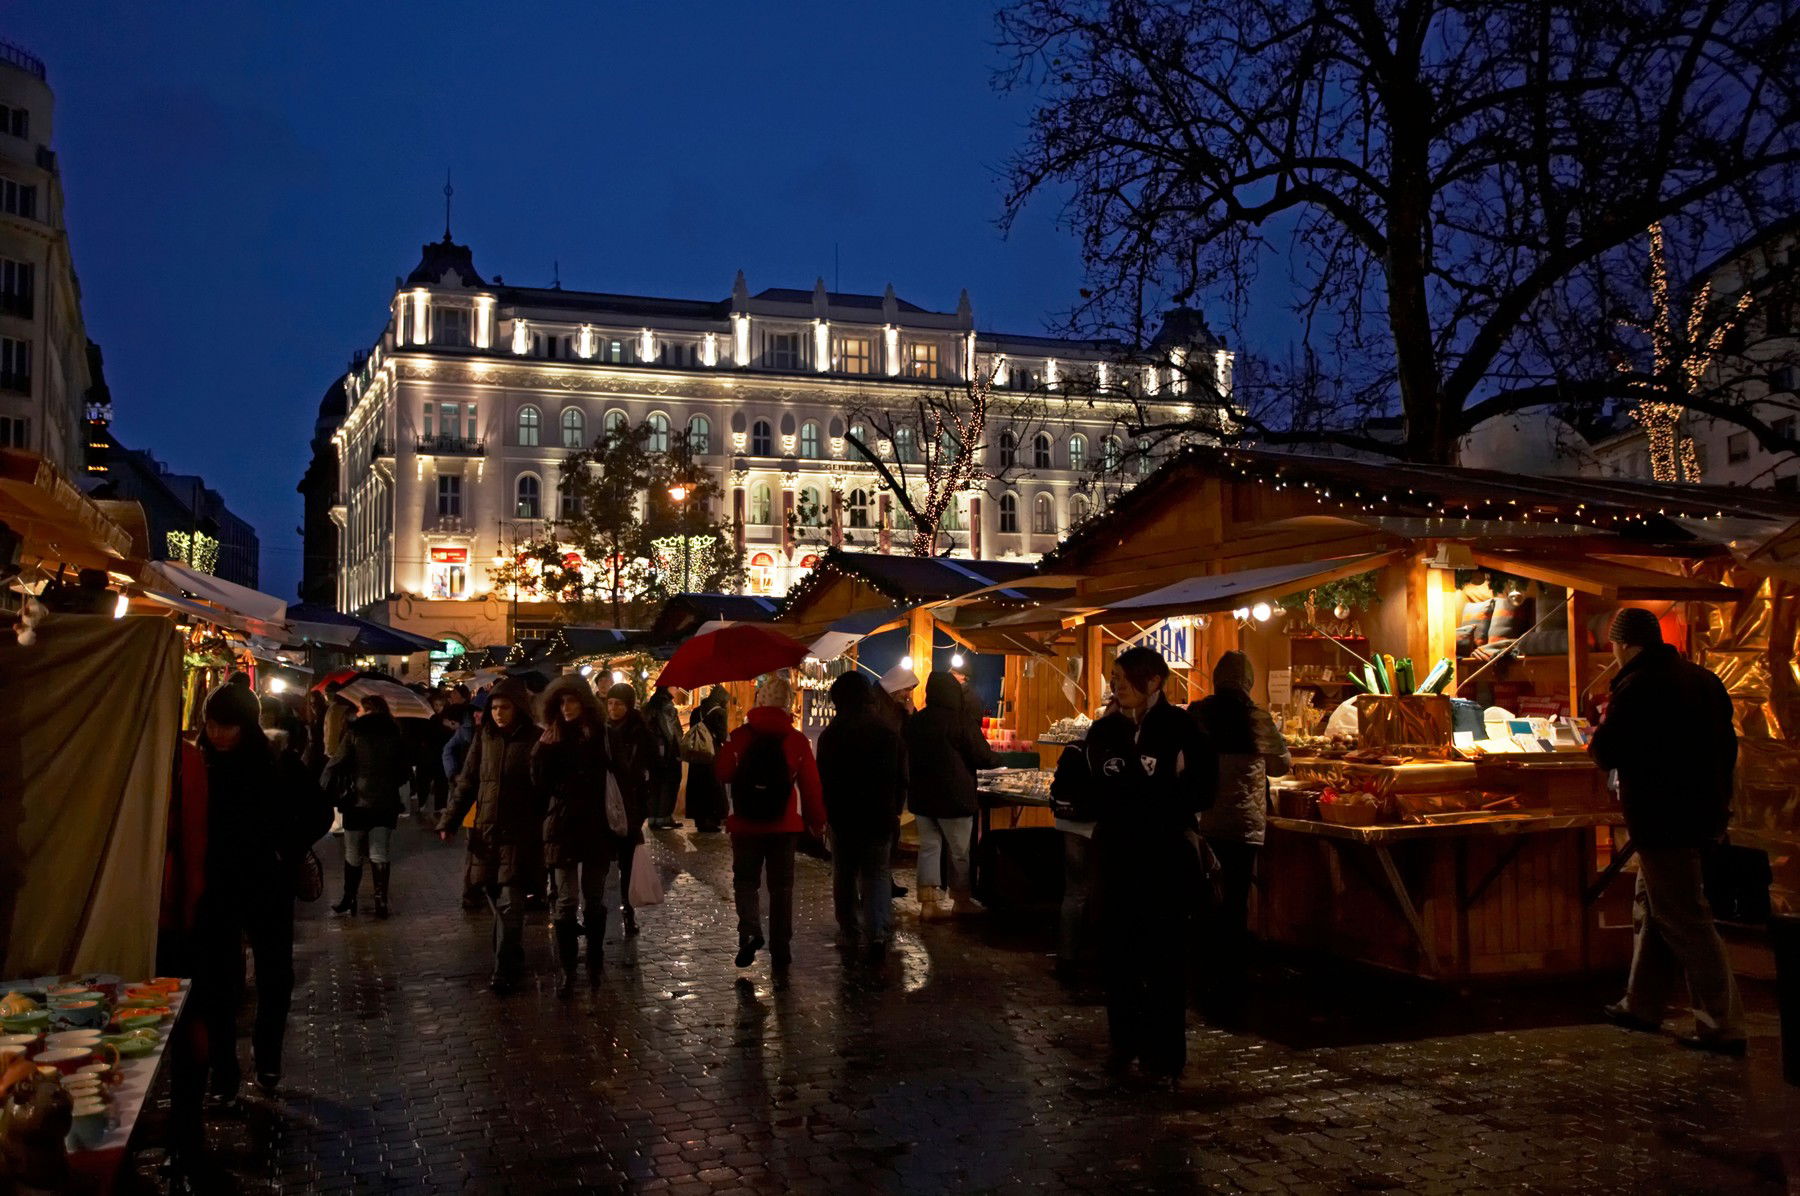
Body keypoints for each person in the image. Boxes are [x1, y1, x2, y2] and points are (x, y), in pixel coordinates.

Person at [1590, 607, 1745, 1055]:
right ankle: (1642, 1004)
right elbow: (1728, 748)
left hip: (1662, 818)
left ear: (1623, 644)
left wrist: (1597, 726)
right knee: (1653, 906)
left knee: (1685, 918)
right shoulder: (1702, 679)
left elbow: (1607, 750)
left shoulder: (1638, 686)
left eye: (1614, 646)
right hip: (1702, 813)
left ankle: (1723, 1024)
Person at [1072, 646, 1215, 1086]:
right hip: (1115, 856)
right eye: (1113, 676)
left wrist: (1155, 801)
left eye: (1123, 677)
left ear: (1153, 680)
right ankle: (1124, 1042)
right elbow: (1087, 786)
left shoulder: (1181, 727)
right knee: (1118, 956)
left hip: (1165, 860)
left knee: (1165, 959)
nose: (1115, 684)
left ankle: (1167, 1057)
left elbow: (1202, 790)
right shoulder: (1103, 731)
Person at [185, 683, 331, 1109]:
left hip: (267, 884)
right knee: (217, 982)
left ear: (246, 725)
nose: (216, 733)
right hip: (215, 887)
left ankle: (267, 1059)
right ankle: (223, 1071)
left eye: (226, 725)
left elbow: (320, 812)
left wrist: (286, 845)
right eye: (210, 724)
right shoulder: (198, 767)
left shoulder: (278, 763)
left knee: (274, 976)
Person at [1190, 650, 1290, 1022]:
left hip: (1204, 817)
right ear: (1247, 681)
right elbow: (1280, 766)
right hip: (1244, 823)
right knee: (1235, 899)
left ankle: (1204, 968)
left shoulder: (1197, 713)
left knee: (1204, 895)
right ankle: (1232, 975)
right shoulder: (1257, 717)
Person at [714, 674, 826, 984]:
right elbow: (811, 787)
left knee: (746, 881)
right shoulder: (797, 740)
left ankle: (750, 931)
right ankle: (781, 948)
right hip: (783, 826)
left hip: (746, 825)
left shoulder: (739, 736)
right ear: (789, 704)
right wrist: (817, 822)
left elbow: (723, 773)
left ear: (759, 700)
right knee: (782, 888)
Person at [438, 677, 543, 994]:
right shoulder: (484, 740)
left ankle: (502, 968)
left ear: (518, 709)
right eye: (494, 708)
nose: (498, 713)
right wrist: (450, 821)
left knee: (511, 903)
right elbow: (468, 783)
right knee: (497, 902)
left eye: (504, 707)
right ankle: (512, 952)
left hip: (520, 834)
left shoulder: (536, 740)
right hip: (486, 835)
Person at [532, 675, 618, 996]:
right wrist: (543, 749)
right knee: (566, 902)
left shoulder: (600, 735)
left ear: (584, 703)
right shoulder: (550, 739)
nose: (567, 708)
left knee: (594, 899)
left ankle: (595, 958)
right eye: (562, 702)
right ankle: (568, 969)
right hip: (561, 827)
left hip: (596, 826)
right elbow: (538, 784)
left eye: (573, 701)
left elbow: (618, 774)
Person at [817, 672, 907, 955]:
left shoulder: (832, 734)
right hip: (879, 813)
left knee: (844, 873)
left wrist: (828, 812)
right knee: (877, 873)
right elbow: (899, 777)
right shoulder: (886, 732)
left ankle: (849, 929)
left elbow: (825, 778)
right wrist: (895, 809)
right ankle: (878, 930)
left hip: (843, 815)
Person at [904, 672, 998, 919]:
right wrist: (999, 759)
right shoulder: (960, 721)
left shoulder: (916, 721)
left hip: (922, 798)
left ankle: (928, 904)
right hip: (954, 798)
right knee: (959, 852)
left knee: (929, 849)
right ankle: (961, 900)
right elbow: (982, 755)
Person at [322, 693, 409, 918]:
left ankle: (350, 898)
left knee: (352, 851)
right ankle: (380, 900)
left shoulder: (354, 732)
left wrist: (323, 788)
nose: (357, 712)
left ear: (368, 710)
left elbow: (337, 763)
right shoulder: (395, 733)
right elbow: (404, 771)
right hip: (385, 802)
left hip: (356, 802)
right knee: (379, 851)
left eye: (360, 708)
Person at [601, 683, 657, 936]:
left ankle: (628, 912)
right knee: (600, 861)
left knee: (626, 862)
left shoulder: (640, 733)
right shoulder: (601, 731)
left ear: (629, 705)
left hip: (632, 804)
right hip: (605, 803)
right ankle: (597, 909)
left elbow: (654, 765)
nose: (613, 708)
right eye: (610, 703)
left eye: (619, 704)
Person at [1049, 738, 1098, 985]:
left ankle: (1066, 956)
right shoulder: (1112, 749)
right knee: (1098, 891)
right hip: (1096, 825)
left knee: (1074, 893)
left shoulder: (1075, 748)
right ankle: (1097, 956)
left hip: (1069, 823)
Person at [443, 692, 488, 911]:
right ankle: (471, 893)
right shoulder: (468, 731)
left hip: (491, 798)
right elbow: (448, 751)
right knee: (474, 847)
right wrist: (454, 774)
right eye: (475, 711)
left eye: (481, 711)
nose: (478, 715)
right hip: (473, 796)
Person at [681, 698, 726, 833]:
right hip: (711, 753)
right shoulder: (720, 712)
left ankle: (699, 819)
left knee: (696, 786)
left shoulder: (696, 711)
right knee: (711, 785)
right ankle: (711, 819)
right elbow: (722, 735)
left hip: (696, 754)